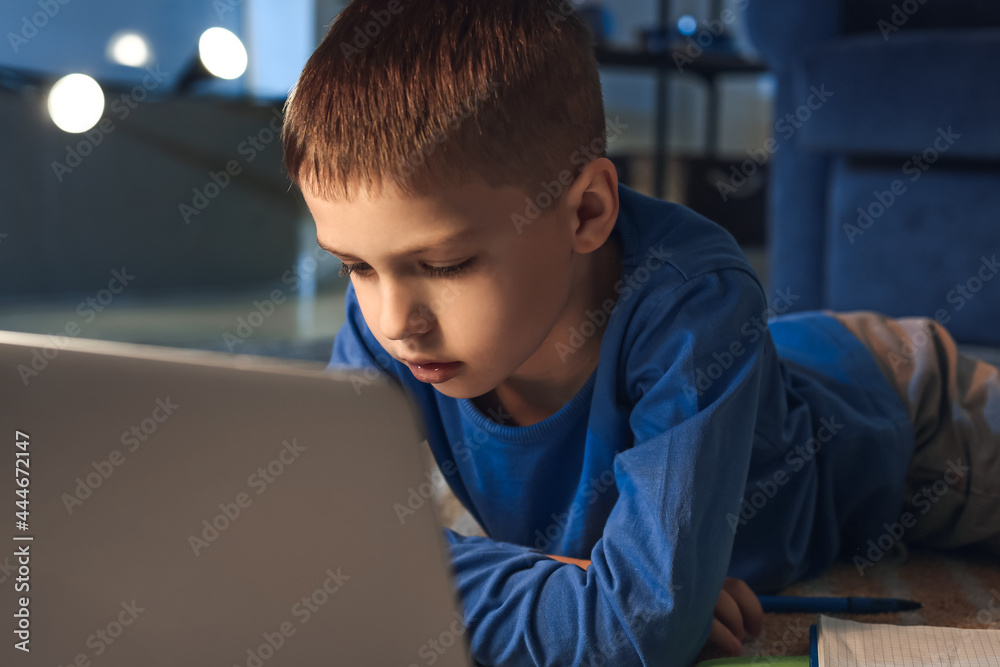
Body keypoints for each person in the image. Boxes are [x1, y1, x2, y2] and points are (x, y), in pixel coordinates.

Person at [280, 1, 1000, 664]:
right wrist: (561, 582)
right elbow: (318, 550)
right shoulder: (385, 307)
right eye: (354, 267)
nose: (393, 321)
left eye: (446, 263)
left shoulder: (696, 309)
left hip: (904, 416)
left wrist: (626, 597)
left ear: (587, 211)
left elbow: (637, 625)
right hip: (770, 377)